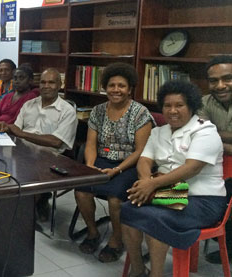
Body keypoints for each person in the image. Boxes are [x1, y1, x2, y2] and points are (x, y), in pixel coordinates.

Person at [122, 80, 227, 277]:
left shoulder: (206, 131)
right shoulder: (158, 132)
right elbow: (144, 160)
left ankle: (157, 274)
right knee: (128, 209)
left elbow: (191, 168)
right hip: (167, 191)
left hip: (202, 199)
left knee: (155, 217)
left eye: (179, 105)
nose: (172, 111)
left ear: (191, 107)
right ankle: (137, 270)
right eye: (167, 106)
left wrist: (151, 185)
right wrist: (146, 184)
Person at [74, 63, 154, 263]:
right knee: (81, 190)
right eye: (112, 85)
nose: (116, 90)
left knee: (115, 197)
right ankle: (93, 233)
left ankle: (117, 241)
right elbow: (90, 143)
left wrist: (117, 170)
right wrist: (91, 165)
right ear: (105, 87)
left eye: (121, 86)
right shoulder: (98, 111)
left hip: (130, 164)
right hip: (101, 159)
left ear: (129, 89)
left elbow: (141, 151)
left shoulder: (140, 113)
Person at [0, 68, 78, 222]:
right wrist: (5, 127)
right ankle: (9, 208)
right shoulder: (29, 104)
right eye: (43, 82)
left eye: (51, 82)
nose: (46, 86)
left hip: (50, 156)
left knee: (31, 175)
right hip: (22, 150)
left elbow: (56, 141)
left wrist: (23, 134)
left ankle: (23, 216)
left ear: (60, 85)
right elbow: (16, 129)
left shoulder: (67, 111)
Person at [198, 55, 232, 264]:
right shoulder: (202, 102)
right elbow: (203, 137)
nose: (220, 85)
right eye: (213, 80)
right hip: (214, 171)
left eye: (227, 78)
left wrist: (215, 133)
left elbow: (210, 135)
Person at [0, 64, 39, 129]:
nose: (17, 81)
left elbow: (17, 120)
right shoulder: (8, 96)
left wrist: (3, 126)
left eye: (21, 78)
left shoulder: (31, 97)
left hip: (12, 130)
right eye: (15, 78)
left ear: (30, 81)